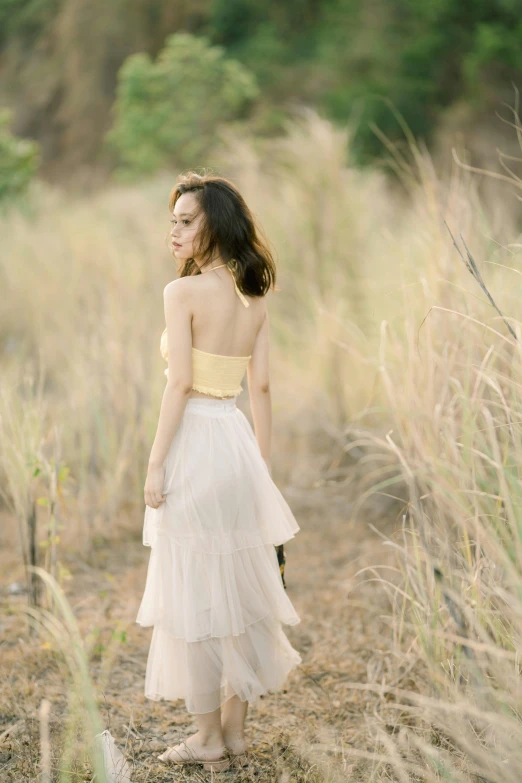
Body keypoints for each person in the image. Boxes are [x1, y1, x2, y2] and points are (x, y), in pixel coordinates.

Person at [135, 171, 302, 773]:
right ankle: (234, 734)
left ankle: (207, 738)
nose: (173, 231)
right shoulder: (254, 296)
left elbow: (179, 383)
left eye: (186, 221)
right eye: (173, 220)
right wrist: (259, 466)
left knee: (195, 595)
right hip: (235, 445)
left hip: (196, 445)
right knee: (238, 587)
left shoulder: (180, 295)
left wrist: (155, 465)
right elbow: (260, 385)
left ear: (215, 226)